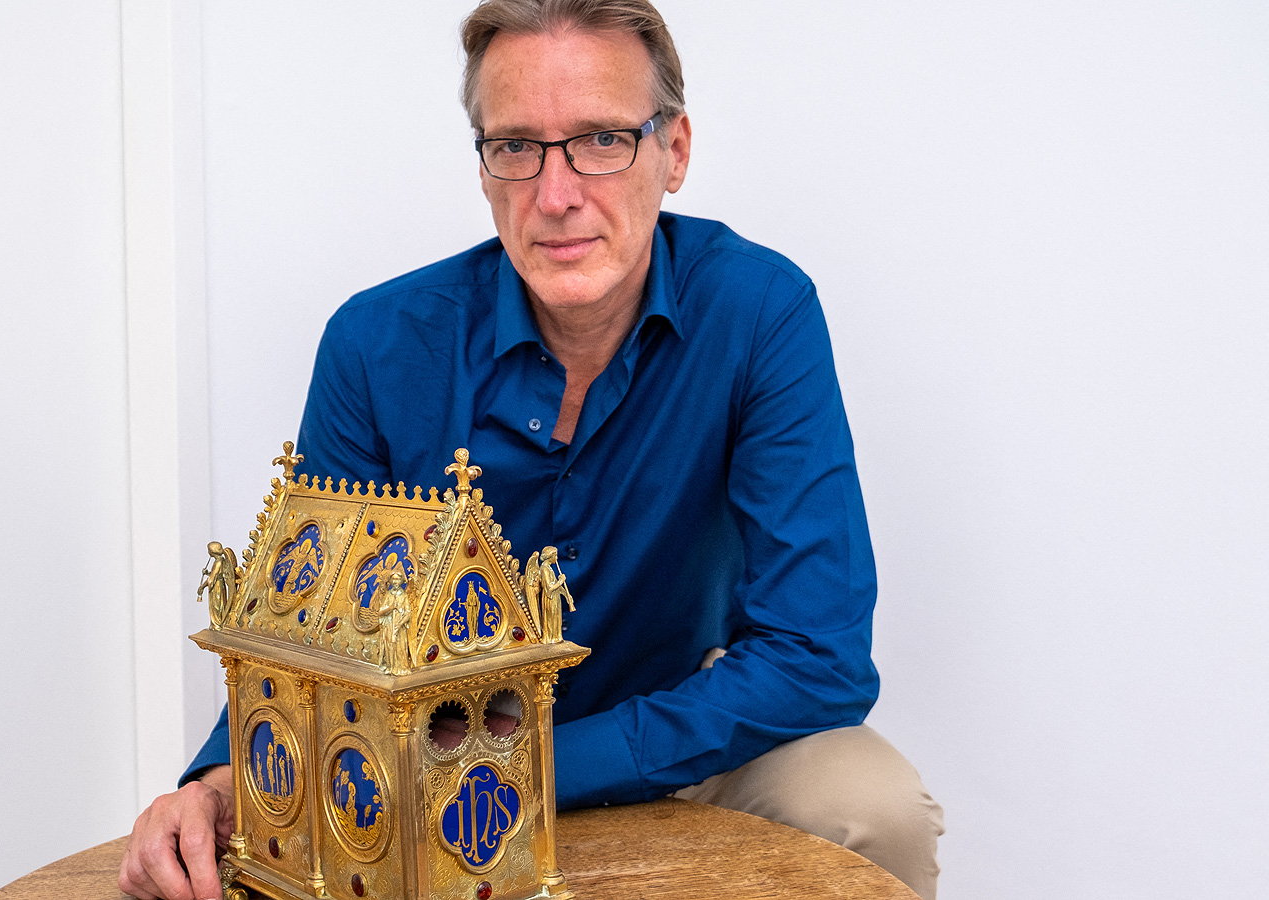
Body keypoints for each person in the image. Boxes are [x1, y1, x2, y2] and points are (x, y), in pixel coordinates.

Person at [119, 2, 944, 899]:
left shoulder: (759, 313)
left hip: (685, 733)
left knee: (873, 809)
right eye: (516, 146)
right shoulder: (375, 345)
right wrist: (218, 781)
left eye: (602, 140)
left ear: (674, 152)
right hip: (422, 764)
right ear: (483, 168)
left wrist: (537, 767)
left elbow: (817, 655)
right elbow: (307, 630)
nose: (556, 196)